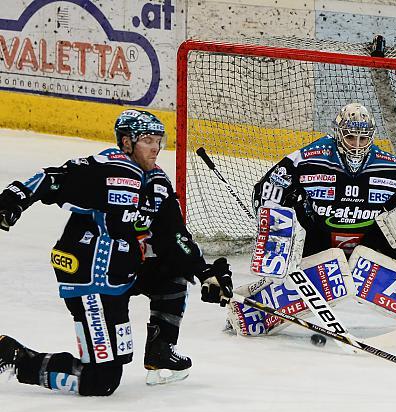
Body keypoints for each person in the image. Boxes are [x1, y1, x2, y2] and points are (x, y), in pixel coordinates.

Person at [0, 109, 233, 396]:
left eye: (159, 140)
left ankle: (160, 349)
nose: (156, 147)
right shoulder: (105, 169)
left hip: (123, 271)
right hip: (91, 277)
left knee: (173, 272)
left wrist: (203, 271)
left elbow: (173, 235)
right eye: (148, 140)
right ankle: (15, 357)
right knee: (102, 381)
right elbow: (51, 179)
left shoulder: (158, 182)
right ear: (126, 142)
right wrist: (14, 199)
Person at [252, 102, 396, 261]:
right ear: (338, 133)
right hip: (317, 236)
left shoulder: (391, 167)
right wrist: (273, 224)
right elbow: (270, 188)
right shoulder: (309, 158)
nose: (357, 145)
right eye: (351, 137)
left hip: (369, 239)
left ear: (371, 137)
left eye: (363, 138)